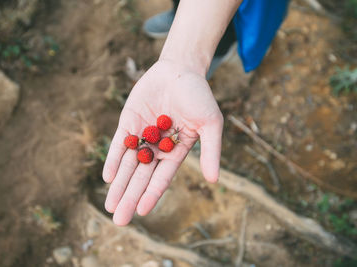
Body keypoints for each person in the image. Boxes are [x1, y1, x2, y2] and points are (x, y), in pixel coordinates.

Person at [103, 0, 289, 226]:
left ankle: (219, 44)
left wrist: (187, 61)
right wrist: (180, 56)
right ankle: (180, 16)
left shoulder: (155, 135)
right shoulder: (152, 137)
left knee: (241, 18)